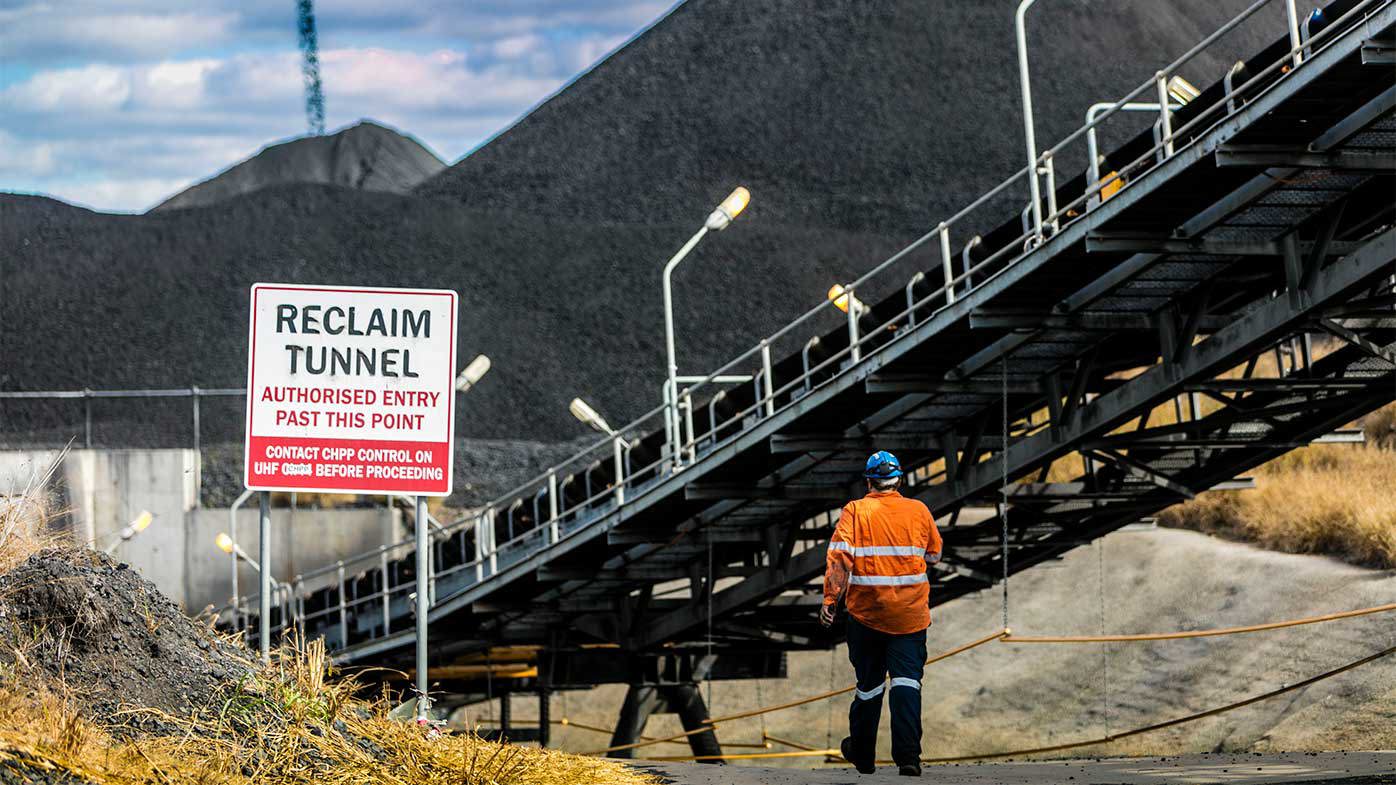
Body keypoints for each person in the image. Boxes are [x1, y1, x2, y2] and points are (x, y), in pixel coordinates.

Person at [820, 450, 943, 777]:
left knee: (869, 686)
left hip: (867, 617)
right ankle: (908, 758)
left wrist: (830, 600)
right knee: (907, 683)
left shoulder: (856, 511)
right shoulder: (919, 510)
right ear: (899, 480)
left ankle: (862, 754)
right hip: (909, 617)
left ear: (869, 482)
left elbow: (839, 559)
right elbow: (934, 554)